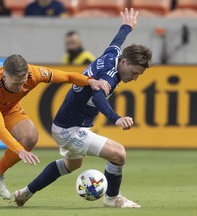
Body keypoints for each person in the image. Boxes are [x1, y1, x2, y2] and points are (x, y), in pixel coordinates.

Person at [13, 8, 152, 208]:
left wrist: (127, 26)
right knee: (119, 153)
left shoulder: (113, 55)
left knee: (72, 164)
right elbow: (97, 97)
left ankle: (24, 193)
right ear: (124, 63)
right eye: (135, 72)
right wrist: (116, 118)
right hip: (70, 130)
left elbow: (117, 41)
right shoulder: (110, 77)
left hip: (67, 125)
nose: (135, 77)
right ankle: (112, 199)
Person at [0, 54, 110, 208]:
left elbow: (67, 76)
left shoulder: (34, 73)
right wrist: (19, 150)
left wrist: (89, 81)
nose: (20, 87)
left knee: (30, 136)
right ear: (4, 75)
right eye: (15, 83)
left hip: (9, 109)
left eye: (23, 81)